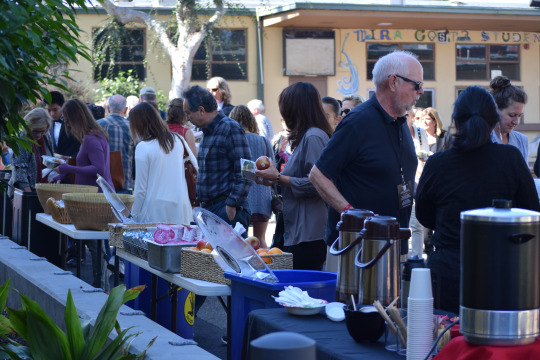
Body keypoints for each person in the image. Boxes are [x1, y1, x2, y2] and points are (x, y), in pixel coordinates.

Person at [415, 86, 540, 313]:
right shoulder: (510, 159)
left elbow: (425, 216)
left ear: (457, 122)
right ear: (493, 122)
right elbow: (531, 212)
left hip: (447, 274)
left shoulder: (437, 164)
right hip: (501, 273)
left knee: (444, 344)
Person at [310, 50, 420, 258]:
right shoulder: (358, 122)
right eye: (417, 85)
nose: (421, 91)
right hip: (356, 248)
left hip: (393, 244)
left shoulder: (401, 122)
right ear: (394, 82)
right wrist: (352, 214)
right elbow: (318, 175)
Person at [255, 82, 333, 270]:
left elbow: (318, 185)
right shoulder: (306, 136)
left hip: (309, 234)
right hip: (299, 229)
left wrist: (278, 178)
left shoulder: (313, 137)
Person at [53, 98, 114, 290]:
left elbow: (99, 168)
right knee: (93, 243)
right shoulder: (94, 136)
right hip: (93, 195)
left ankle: (100, 285)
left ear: (75, 118)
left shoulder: (91, 138)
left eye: (67, 119)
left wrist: (70, 169)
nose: (67, 124)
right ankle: (100, 283)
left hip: (95, 197)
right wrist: (66, 169)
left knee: (95, 244)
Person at [183, 85, 252, 234]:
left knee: (231, 257)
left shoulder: (230, 128)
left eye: (189, 113)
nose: (187, 118)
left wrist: (232, 204)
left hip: (226, 209)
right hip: (211, 210)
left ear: (201, 110)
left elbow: (247, 170)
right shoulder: (208, 131)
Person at [129, 102, 196, 224]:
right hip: (181, 207)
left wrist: (132, 215)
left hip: (154, 211)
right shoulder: (178, 139)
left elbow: (140, 190)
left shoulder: (143, 147)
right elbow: (195, 167)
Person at [230, 105, 273, 246]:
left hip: (240, 197)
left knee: (239, 240)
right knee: (260, 239)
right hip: (262, 196)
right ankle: (264, 266)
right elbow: (272, 167)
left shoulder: (233, 141)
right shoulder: (263, 141)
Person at [8, 108, 54, 197]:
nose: (39, 135)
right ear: (28, 126)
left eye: (42, 131)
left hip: (43, 190)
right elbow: (19, 173)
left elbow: (50, 159)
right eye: (35, 131)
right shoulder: (21, 140)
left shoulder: (46, 137)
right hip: (24, 193)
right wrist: (30, 196)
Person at [97, 94, 134, 192]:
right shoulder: (133, 128)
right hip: (125, 184)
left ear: (108, 108)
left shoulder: (97, 126)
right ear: (126, 110)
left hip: (101, 184)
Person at [406, 109, 430, 257]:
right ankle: (404, 256)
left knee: (417, 224)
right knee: (402, 222)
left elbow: (425, 154)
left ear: (413, 117)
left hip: (417, 181)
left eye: (407, 115)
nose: (404, 117)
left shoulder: (420, 132)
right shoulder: (396, 131)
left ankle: (416, 258)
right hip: (401, 183)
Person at [489, 75, 529, 162]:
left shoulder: (521, 140)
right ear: (496, 109)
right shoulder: (482, 140)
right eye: (512, 115)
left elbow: (523, 174)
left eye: (519, 116)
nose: (516, 122)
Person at [44, 91, 81, 158]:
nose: (52, 114)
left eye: (55, 110)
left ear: (63, 106)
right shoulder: (47, 124)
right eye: (49, 110)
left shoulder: (74, 122)